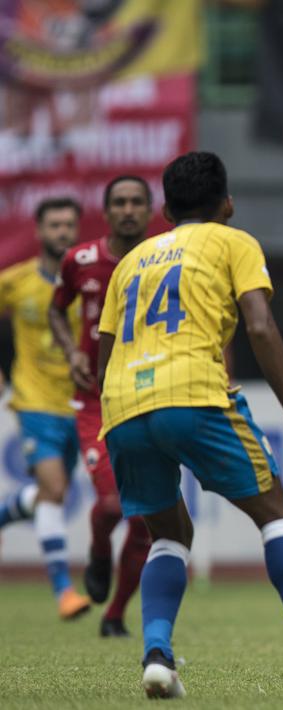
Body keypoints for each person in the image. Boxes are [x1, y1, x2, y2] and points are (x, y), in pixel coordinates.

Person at [96, 152, 283, 698]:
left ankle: (157, 655)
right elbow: (259, 324)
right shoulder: (235, 241)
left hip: (123, 406)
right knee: (277, 515)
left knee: (169, 534)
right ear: (227, 203)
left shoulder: (129, 262)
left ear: (163, 209)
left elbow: (105, 348)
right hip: (193, 393)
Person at [48, 176, 153, 638]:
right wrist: (72, 350)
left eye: (136, 202)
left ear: (150, 211)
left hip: (152, 395)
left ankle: (115, 616)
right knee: (111, 504)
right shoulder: (81, 260)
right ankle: (97, 550)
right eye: (119, 203)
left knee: (148, 523)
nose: (128, 209)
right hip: (96, 400)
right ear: (106, 212)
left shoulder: (164, 259)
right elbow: (57, 308)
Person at [0, 197, 92, 620]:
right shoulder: (16, 282)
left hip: (80, 403)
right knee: (55, 491)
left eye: (69, 225)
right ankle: (63, 592)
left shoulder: (89, 282)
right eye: (54, 225)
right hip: (34, 402)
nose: (62, 232)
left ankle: (9, 509)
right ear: (38, 231)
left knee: (50, 495)